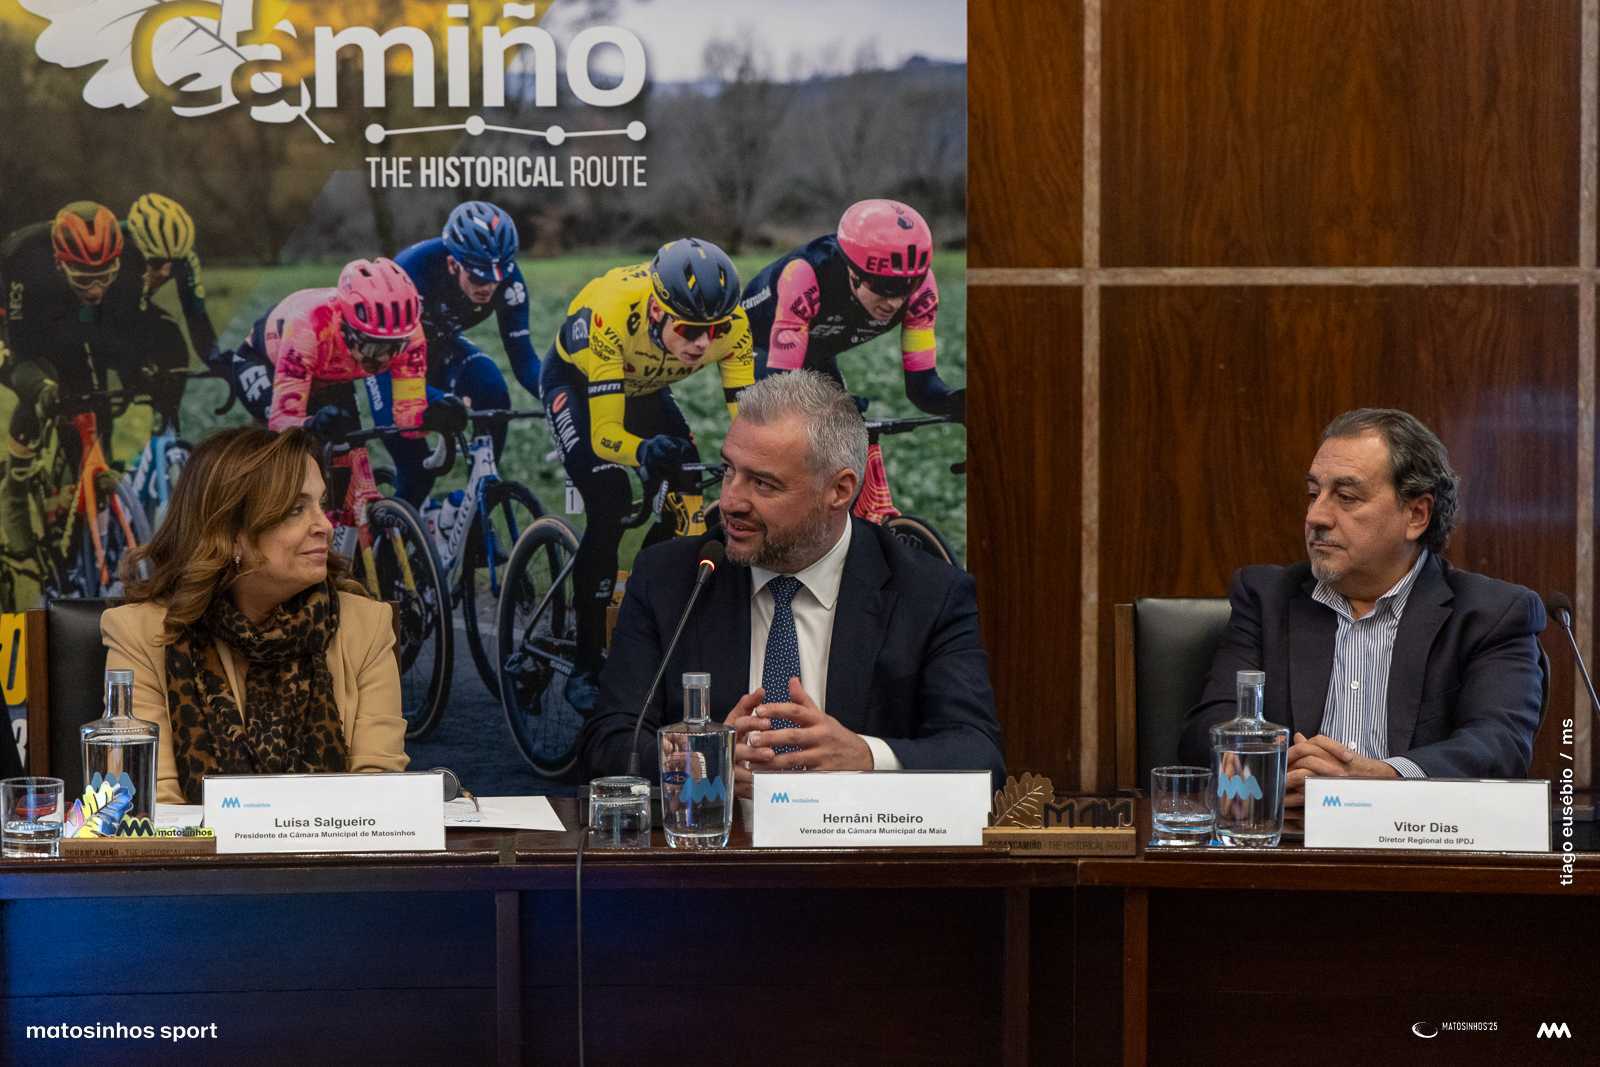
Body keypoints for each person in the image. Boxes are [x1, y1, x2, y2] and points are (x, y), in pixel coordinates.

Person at [578, 370, 1004, 791]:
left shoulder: (929, 594)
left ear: (839, 491)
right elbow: (608, 744)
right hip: (717, 834)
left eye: (763, 483)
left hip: (851, 836)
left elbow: (978, 756)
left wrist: (866, 757)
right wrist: (697, 761)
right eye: (728, 470)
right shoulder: (672, 578)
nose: (729, 501)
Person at [1179, 408, 1546, 801]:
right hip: (1290, 831)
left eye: (1346, 497)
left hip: (1414, 835)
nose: (1316, 516)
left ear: (1416, 515)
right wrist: (1279, 773)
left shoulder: (1491, 615)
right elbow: (1205, 734)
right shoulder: (1267, 598)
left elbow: (1498, 746)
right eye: (1313, 494)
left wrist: (1385, 779)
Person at [101, 426, 409, 805]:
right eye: (296, 510)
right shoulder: (139, 634)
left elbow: (379, 798)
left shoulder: (366, 626)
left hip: (334, 846)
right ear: (229, 532)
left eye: (320, 504)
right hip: (195, 848)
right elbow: (150, 805)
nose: (325, 527)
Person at [542, 237, 755, 711]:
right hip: (577, 384)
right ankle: (585, 664)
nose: (703, 344)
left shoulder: (735, 324)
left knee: (687, 482)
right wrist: (640, 450)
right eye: (690, 329)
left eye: (714, 330)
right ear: (658, 311)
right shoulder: (615, 310)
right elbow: (605, 436)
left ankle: (642, 597)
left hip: (645, 388)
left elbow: (749, 418)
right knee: (610, 497)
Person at [0, 202, 142, 574]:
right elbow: (21, 354)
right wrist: (44, 390)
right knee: (39, 387)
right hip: (14, 321)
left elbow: (120, 336)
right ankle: (15, 490)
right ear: (60, 262)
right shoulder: (26, 260)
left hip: (64, 314)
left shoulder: (129, 256)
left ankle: (81, 500)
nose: (95, 289)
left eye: (104, 277)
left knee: (90, 397)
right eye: (84, 278)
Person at [740, 199, 964, 422]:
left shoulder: (922, 292)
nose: (895, 303)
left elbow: (922, 387)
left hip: (818, 346)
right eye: (885, 287)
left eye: (909, 287)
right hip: (761, 344)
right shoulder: (804, 276)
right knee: (781, 421)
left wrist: (956, 402)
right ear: (853, 272)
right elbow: (779, 391)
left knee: (844, 427)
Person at [382, 200, 540, 505]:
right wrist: (436, 400)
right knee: (417, 474)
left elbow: (525, 361)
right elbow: (388, 361)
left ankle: (475, 508)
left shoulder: (508, 280)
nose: (489, 287)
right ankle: (392, 531)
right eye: (479, 278)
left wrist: (559, 397)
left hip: (442, 344)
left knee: (491, 386)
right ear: (453, 264)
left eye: (497, 278)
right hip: (393, 358)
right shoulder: (411, 271)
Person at [239, 257, 466, 445]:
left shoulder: (409, 336)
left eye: (394, 348)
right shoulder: (310, 326)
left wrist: (432, 417)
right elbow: (282, 422)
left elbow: (408, 419)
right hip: (264, 361)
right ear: (346, 329)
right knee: (289, 452)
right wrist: (310, 425)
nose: (383, 358)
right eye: (374, 346)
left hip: (328, 374)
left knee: (350, 454)